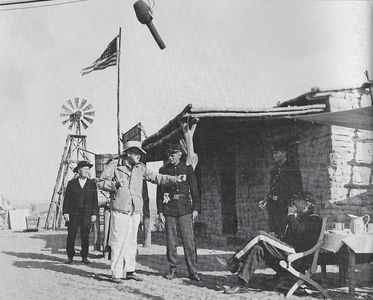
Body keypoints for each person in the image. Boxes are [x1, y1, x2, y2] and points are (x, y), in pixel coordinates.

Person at [98, 141, 187, 284]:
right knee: (118, 242)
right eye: (137, 153)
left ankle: (130, 271)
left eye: (140, 153)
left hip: (134, 211)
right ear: (128, 153)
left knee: (132, 242)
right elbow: (100, 182)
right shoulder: (115, 165)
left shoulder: (140, 168)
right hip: (120, 211)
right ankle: (116, 273)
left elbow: (157, 177)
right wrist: (114, 185)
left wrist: (174, 179)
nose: (139, 156)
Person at [218, 192, 322, 294]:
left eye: (297, 201)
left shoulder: (314, 219)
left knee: (260, 235)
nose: (293, 203)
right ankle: (241, 284)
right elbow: (288, 235)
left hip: (298, 254)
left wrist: (290, 215)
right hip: (290, 250)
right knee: (257, 248)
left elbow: (299, 232)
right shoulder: (301, 217)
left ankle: (234, 261)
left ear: (306, 204)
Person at [156, 144, 201, 281]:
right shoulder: (163, 170)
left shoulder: (187, 169)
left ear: (180, 154)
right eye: (169, 154)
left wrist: (196, 209)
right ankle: (172, 268)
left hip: (185, 209)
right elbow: (159, 193)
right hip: (169, 209)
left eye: (174, 154)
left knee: (189, 241)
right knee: (171, 242)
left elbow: (194, 190)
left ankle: (193, 271)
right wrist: (160, 212)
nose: (171, 156)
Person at [259, 140, 303, 236]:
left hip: (284, 206)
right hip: (273, 206)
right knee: (273, 232)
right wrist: (265, 199)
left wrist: (293, 205)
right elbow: (273, 188)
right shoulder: (274, 169)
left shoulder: (292, 168)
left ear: (284, 153)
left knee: (283, 233)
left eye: (276, 153)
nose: (274, 156)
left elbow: (298, 188)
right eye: (273, 153)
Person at [63, 160, 98, 265]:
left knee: (85, 236)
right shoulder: (71, 183)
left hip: (86, 215)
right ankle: (70, 257)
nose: (87, 171)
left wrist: (94, 214)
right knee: (71, 236)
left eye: (88, 169)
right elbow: (66, 200)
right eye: (85, 169)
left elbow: (94, 200)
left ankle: (84, 256)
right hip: (73, 214)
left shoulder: (92, 184)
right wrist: (65, 213)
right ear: (79, 171)